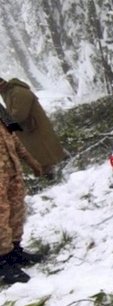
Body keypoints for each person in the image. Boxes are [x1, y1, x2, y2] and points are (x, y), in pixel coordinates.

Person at [0, 109, 44, 284]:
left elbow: (13, 138)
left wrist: (30, 161)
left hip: (12, 174)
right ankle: (3, 262)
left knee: (16, 212)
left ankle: (15, 251)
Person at [0, 77, 67, 177]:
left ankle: (60, 169)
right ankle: (51, 170)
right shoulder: (8, 93)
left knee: (47, 151)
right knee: (40, 153)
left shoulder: (18, 92)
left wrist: (5, 118)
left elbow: (19, 115)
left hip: (35, 128)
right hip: (29, 129)